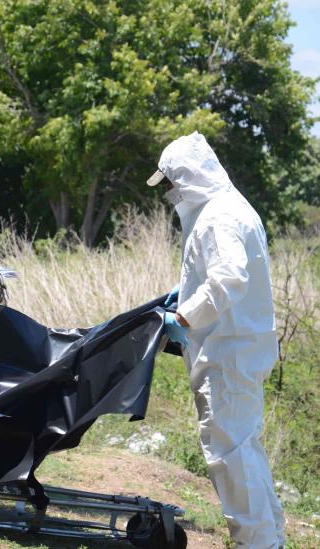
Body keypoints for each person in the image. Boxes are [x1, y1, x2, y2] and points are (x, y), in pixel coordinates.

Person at [148, 132, 285, 548]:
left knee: (232, 456)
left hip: (229, 353)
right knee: (244, 450)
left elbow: (228, 279)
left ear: (187, 177)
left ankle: (256, 543)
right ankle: (269, 538)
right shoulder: (227, 209)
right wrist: (185, 290)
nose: (170, 193)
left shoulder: (219, 217)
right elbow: (215, 272)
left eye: (170, 183)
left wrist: (184, 316)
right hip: (237, 350)